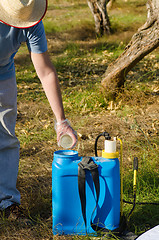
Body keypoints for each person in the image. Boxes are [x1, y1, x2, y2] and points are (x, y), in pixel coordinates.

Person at [0, 0, 77, 218]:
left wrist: (61, 121)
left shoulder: (31, 21)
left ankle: (7, 202)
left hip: (3, 73)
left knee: (6, 137)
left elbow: (46, 72)